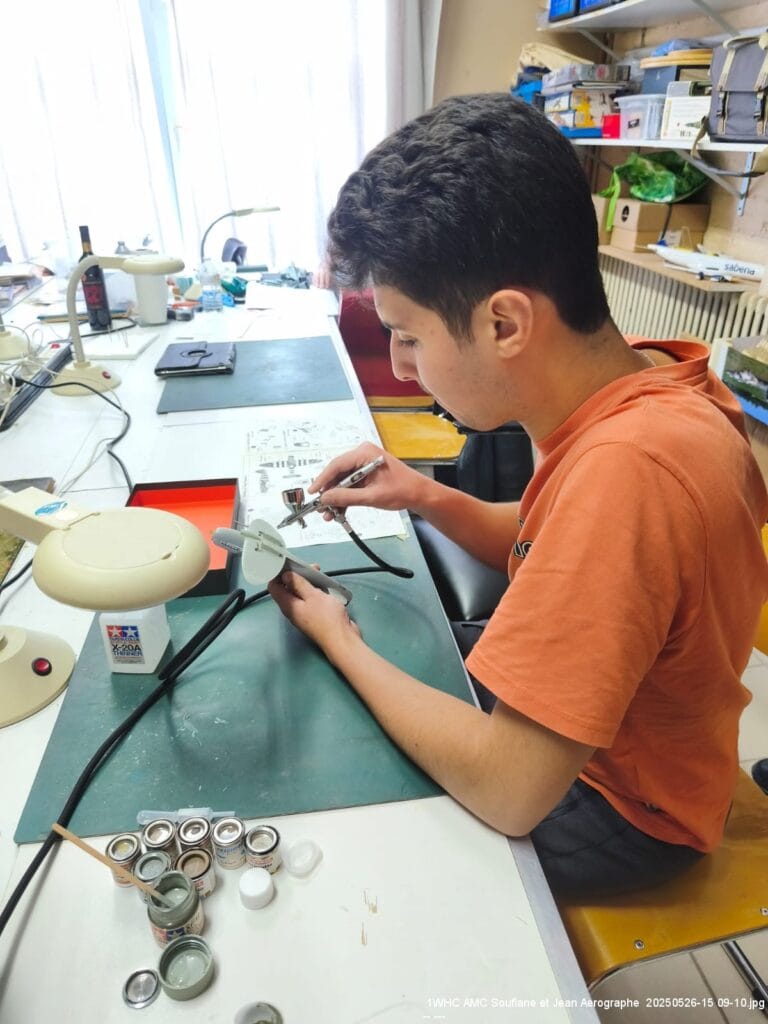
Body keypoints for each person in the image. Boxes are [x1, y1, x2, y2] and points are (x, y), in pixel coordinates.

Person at [267, 93, 768, 897]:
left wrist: (340, 640)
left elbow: (510, 789)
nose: (400, 367)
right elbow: (551, 547)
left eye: (408, 335)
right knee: (405, 658)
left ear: (505, 323)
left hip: (623, 808)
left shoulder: (629, 474)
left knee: (365, 851)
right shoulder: (642, 384)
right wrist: (424, 494)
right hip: (599, 743)